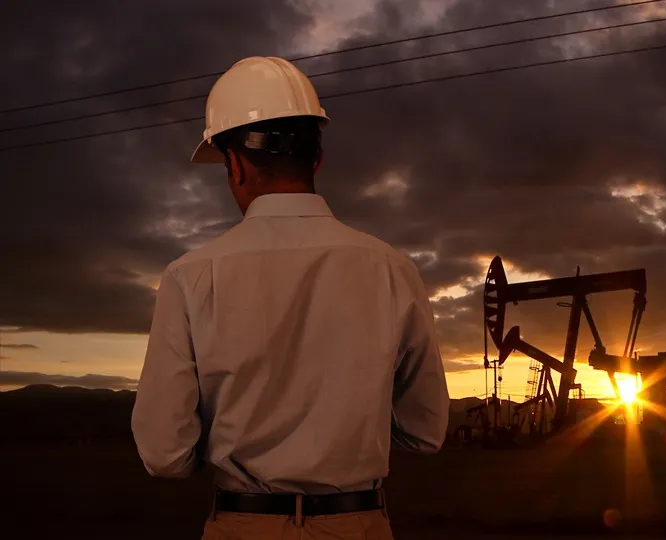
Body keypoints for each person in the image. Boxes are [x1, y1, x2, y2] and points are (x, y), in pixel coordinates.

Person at [131, 56, 450, 540]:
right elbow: (425, 434)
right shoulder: (392, 270)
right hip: (359, 524)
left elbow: (164, 454)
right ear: (317, 157)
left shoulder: (190, 276)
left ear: (235, 163)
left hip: (244, 525)